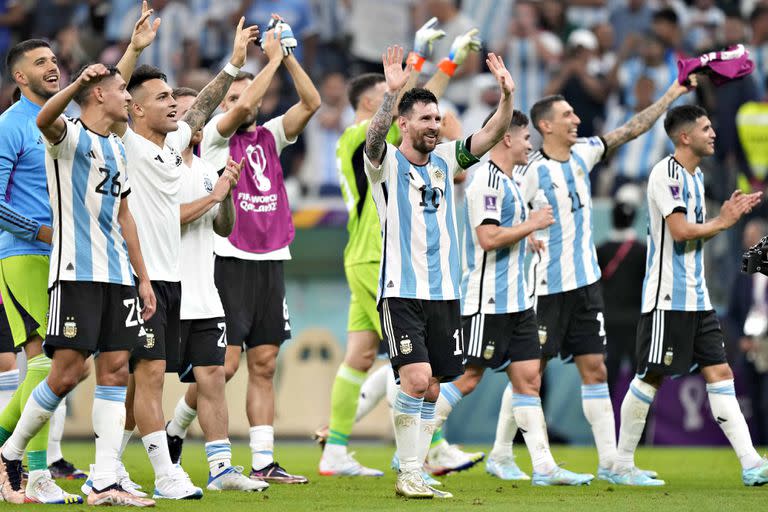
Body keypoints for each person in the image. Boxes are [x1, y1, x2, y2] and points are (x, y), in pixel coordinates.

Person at [0, 3, 158, 501]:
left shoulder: (90, 131)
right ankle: (23, 461)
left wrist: (133, 50)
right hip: (26, 252)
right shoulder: (22, 125)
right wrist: (39, 232)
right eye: (41, 62)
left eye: (55, 59)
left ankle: (94, 475)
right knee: (51, 365)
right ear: (20, 76)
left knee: (97, 369)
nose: (52, 65)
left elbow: (108, 96)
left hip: (93, 260)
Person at [102, 15, 260, 501]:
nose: (174, 104)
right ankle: (124, 468)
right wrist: (132, 49)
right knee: (134, 382)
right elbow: (114, 91)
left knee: (167, 380)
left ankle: (194, 466)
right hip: (138, 279)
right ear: (135, 109)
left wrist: (235, 63)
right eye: (164, 97)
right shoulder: (124, 142)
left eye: (175, 96)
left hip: (173, 283)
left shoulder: (174, 147)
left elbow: (207, 104)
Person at [317, 19, 482, 479]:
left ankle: (335, 448)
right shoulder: (361, 137)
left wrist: (441, 59)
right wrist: (427, 60)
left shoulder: (375, 133)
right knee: (414, 359)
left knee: (360, 356)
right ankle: (433, 448)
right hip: (385, 257)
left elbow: (421, 105)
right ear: (376, 105)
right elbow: (414, 109)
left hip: (365, 253)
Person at [517, 76, 695, 482]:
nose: (576, 119)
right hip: (547, 289)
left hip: (586, 288)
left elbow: (632, 129)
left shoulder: (584, 153)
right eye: (567, 115)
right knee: (530, 374)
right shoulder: (531, 173)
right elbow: (504, 217)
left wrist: (671, 94)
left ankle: (611, 464)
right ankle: (534, 463)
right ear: (545, 126)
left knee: (595, 370)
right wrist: (525, 235)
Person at [167, 15, 319, 485]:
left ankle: (263, 460)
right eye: (233, 97)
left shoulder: (270, 135)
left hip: (271, 257)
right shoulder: (213, 139)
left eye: (246, 96)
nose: (242, 103)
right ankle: (176, 427)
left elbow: (311, 101)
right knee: (225, 365)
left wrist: (286, 59)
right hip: (228, 259)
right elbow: (240, 103)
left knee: (265, 362)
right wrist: (265, 61)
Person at [363, 46, 514, 499]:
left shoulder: (448, 160)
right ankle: (408, 473)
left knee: (431, 389)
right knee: (414, 378)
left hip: (446, 292)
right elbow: (372, 140)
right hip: (401, 289)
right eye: (424, 119)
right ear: (404, 124)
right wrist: (391, 95)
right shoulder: (386, 163)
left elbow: (489, 135)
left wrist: (506, 96)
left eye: (437, 118)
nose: (433, 125)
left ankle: (416, 467)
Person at [435, 107, 594, 487]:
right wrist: (532, 225)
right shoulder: (485, 182)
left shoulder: (508, 182)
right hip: (487, 302)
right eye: (526, 139)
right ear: (507, 138)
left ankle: (544, 467)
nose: (530, 146)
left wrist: (528, 238)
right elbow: (487, 238)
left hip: (518, 303)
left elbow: (505, 233)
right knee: (468, 378)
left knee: (528, 380)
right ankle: (413, 445)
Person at [612, 104, 768, 486]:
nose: (714, 132)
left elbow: (697, 232)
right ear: (685, 137)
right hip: (668, 298)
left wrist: (724, 218)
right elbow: (680, 231)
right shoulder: (666, 174)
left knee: (720, 373)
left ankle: (751, 464)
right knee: (650, 377)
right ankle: (621, 465)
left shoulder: (696, 178)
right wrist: (725, 220)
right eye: (706, 127)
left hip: (697, 300)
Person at [171, 85, 265, 493]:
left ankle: (221, 468)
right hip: (163, 289)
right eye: (187, 113)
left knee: (213, 376)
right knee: (139, 378)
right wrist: (214, 196)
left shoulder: (209, 168)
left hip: (204, 292)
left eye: (199, 113)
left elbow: (223, 226)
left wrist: (225, 190)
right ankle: (116, 464)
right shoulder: (159, 165)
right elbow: (167, 219)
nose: (196, 121)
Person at [596, 184, 647, 392]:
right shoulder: (642, 251)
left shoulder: (601, 250)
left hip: (609, 322)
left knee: (606, 383)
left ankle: (603, 425)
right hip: (635, 324)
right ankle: (641, 426)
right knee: (641, 386)